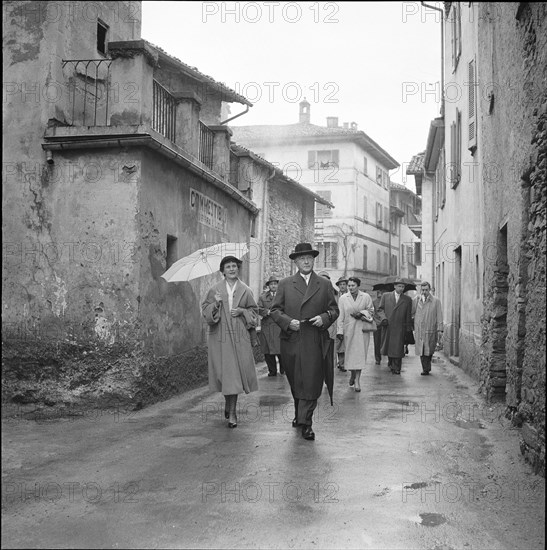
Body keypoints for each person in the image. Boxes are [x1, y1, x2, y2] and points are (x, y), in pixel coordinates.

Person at [270, 243, 339, 441]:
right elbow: (275, 311)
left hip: (315, 340)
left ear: (313, 260)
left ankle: (306, 423)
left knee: (312, 381)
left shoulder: (324, 284)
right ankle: (299, 413)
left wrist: (324, 318)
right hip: (291, 340)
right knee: (296, 381)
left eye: (309, 257)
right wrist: (287, 322)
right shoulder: (285, 284)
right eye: (302, 259)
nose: (306, 261)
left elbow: (334, 310)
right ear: (296, 262)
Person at [201, 255, 259, 428]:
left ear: (238, 269)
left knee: (235, 375)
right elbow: (205, 312)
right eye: (228, 267)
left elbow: (254, 313)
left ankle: (232, 412)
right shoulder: (214, 290)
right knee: (224, 375)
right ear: (223, 271)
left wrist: (242, 311)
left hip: (240, 337)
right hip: (220, 338)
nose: (232, 269)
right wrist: (216, 304)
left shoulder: (246, 290)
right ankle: (228, 404)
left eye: (234, 266)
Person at [336, 277, 375, 392]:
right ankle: (353, 374)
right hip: (348, 330)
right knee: (350, 355)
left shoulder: (366, 297)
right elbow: (340, 315)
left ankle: (357, 380)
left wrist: (361, 314)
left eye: (353, 285)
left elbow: (371, 310)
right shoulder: (343, 298)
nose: (351, 288)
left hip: (361, 330)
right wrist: (339, 330)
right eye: (349, 286)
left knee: (360, 355)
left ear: (358, 286)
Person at [376, 277, 413, 375]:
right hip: (388, 326)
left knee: (398, 348)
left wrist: (408, 329)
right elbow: (380, 309)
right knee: (389, 347)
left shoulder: (407, 300)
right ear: (394, 286)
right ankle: (391, 364)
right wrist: (383, 318)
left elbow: (408, 315)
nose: (401, 288)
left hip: (400, 327)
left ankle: (397, 367)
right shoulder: (386, 296)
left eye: (403, 286)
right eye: (399, 286)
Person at [413, 281, 443, 375]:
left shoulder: (436, 301)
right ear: (420, 290)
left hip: (431, 328)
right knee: (421, 350)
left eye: (426, 290)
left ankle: (427, 366)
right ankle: (425, 369)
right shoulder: (417, 300)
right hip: (419, 329)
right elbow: (412, 312)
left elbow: (439, 315)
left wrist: (440, 329)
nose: (424, 292)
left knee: (430, 349)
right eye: (422, 290)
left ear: (429, 290)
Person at [257, 276, 283, 376]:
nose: (273, 286)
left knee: (281, 349)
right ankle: (272, 371)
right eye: (271, 284)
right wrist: (266, 311)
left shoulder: (282, 296)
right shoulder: (262, 297)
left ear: (277, 285)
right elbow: (257, 308)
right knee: (267, 350)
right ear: (268, 286)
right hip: (267, 326)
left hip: (279, 326)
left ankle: (283, 369)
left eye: (275, 284)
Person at [334, 277, 349, 372]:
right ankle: (338, 362)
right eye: (341, 285)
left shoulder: (349, 296)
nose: (342, 286)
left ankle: (342, 363)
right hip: (335, 321)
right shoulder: (335, 296)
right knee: (337, 343)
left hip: (346, 322)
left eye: (344, 284)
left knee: (344, 343)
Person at [372, 288, 386, 365]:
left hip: (387, 324)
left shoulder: (388, 301)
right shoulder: (375, 302)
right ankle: (377, 358)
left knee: (386, 342)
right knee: (377, 342)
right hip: (378, 325)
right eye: (381, 292)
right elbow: (373, 313)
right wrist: (378, 322)